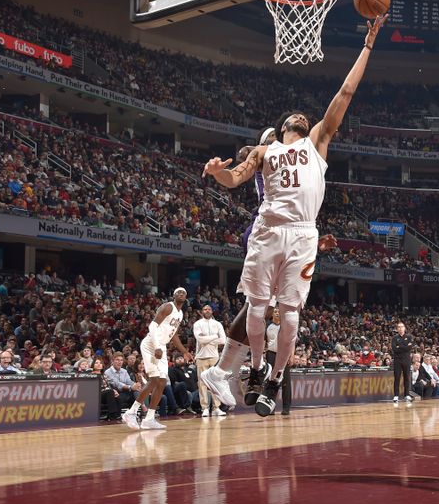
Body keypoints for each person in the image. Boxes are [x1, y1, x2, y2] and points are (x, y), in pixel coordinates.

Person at [202, 14, 387, 418]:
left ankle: (276, 376)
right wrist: (219, 173)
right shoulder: (265, 151)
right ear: (282, 127)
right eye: (295, 118)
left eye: (305, 118)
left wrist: (368, 44)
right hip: (269, 229)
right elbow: (236, 178)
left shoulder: (318, 141)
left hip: (303, 234)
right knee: (255, 306)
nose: (302, 118)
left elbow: (346, 92)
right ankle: (254, 369)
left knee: (289, 314)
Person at [200, 127, 337, 408]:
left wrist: (314, 242)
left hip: (285, 233)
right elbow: (245, 157)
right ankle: (231, 370)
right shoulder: (267, 153)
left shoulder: (290, 159)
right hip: (268, 230)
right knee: (262, 306)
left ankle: (236, 370)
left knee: (264, 308)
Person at [123, 288, 192, 431]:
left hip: (162, 346)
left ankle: (149, 419)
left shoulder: (180, 313)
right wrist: (157, 347)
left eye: (183, 293)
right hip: (151, 345)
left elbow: (173, 336)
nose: (181, 294)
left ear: (186, 297)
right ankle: (131, 412)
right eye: (178, 292)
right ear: (173, 296)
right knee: (154, 379)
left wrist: (185, 352)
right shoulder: (168, 307)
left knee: (162, 382)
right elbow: (152, 325)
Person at [193, 304, 227, 417]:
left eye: (209, 309)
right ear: (202, 311)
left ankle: (216, 408)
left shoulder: (217, 324)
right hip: (201, 357)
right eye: (205, 309)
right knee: (202, 383)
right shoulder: (197, 324)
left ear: (212, 311)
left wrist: (207, 339)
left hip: (214, 356)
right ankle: (205, 408)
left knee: (215, 383)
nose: (207, 311)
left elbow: (223, 340)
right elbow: (200, 339)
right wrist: (214, 337)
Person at [264, 305, 291, 415]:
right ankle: (271, 407)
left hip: (284, 354)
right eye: (274, 311)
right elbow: (264, 342)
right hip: (271, 354)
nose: (276, 313)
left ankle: (286, 408)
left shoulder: (286, 326)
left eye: (278, 311)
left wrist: (291, 355)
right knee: (272, 381)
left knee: (285, 382)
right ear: (272, 314)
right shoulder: (267, 326)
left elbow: (291, 342)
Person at [391, 321, 414, 402]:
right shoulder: (394, 338)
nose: (400, 328)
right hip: (397, 360)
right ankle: (396, 395)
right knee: (397, 377)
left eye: (402, 326)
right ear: (397, 329)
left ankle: (407, 395)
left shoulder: (409, 337)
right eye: (399, 327)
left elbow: (409, 348)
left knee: (407, 377)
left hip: (406, 360)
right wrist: (404, 346)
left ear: (404, 328)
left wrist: (399, 346)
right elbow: (394, 349)